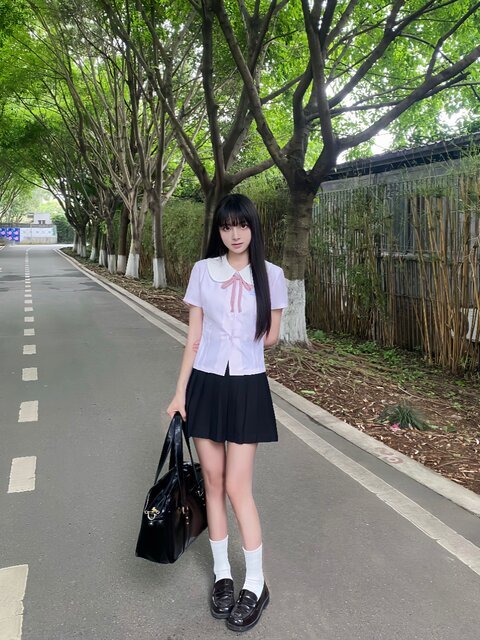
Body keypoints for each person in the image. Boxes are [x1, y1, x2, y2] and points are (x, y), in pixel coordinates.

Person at [167, 193, 288, 633]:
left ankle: (255, 582)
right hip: (205, 383)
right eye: (225, 226)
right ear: (218, 231)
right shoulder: (203, 271)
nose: (234, 234)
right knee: (213, 483)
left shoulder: (272, 275)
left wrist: (240, 329)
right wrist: (179, 393)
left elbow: (271, 337)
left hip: (247, 385)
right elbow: (194, 337)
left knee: (238, 486)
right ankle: (222, 575)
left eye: (242, 225)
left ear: (253, 227)